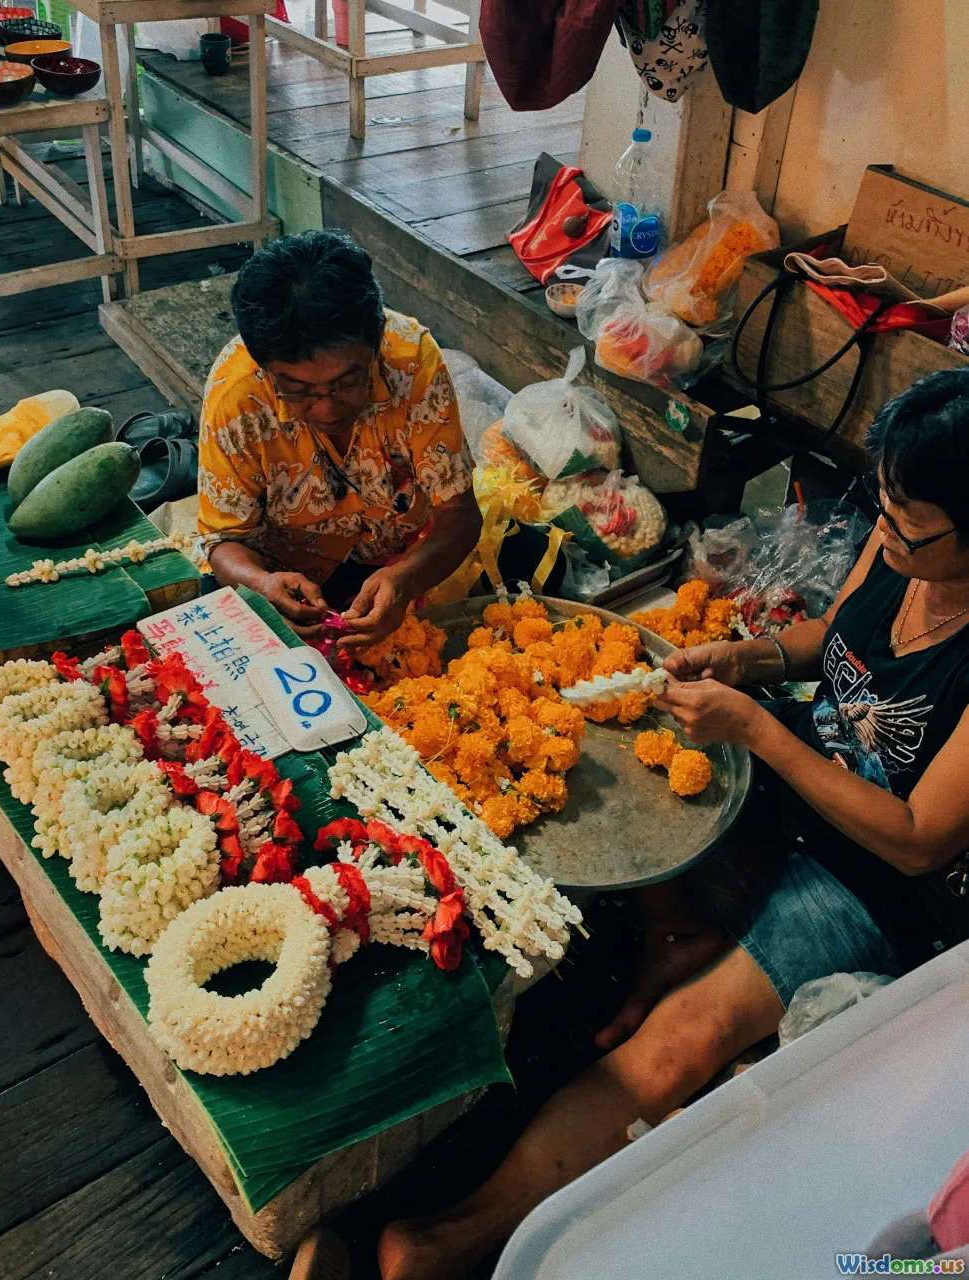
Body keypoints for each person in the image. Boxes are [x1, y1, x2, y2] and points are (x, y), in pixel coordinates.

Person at [377, 371, 969, 1279]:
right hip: (782, 795)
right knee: (610, 795)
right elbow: (834, 635)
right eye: (880, 511)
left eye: (908, 528)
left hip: (867, 883)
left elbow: (918, 837)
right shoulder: (898, 558)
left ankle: (449, 1239)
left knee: (684, 1040)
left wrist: (760, 731)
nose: (883, 540)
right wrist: (748, 657)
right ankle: (678, 929)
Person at [197, 231, 482, 648]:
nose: (327, 410)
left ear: (378, 335)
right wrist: (260, 583)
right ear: (263, 365)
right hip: (282, 577)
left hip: (389, 562)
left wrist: (406, 578)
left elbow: (460, 513)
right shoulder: (236, 394)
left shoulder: (412, 361)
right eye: (297, 389)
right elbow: (224, 542)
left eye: (348, 381)